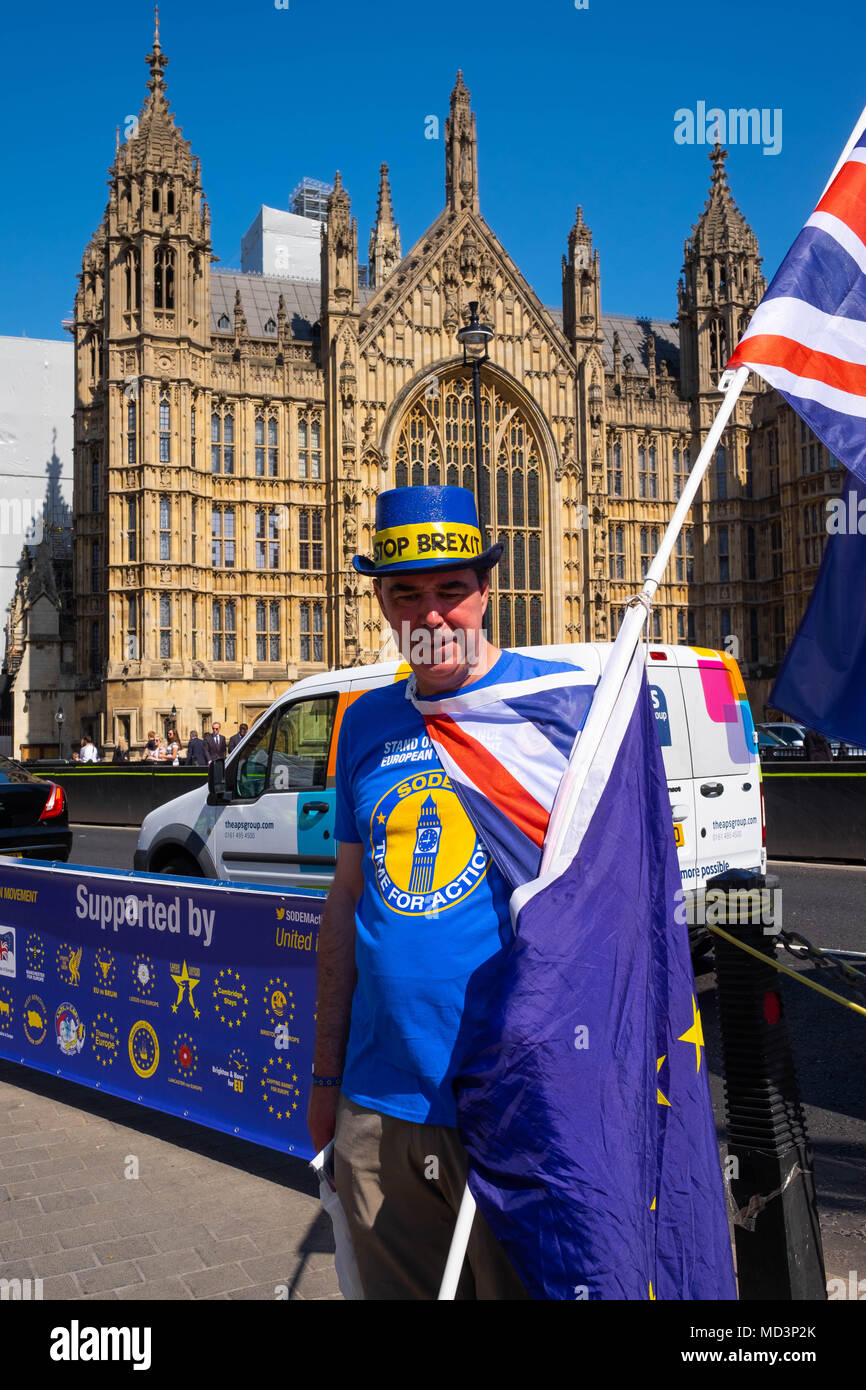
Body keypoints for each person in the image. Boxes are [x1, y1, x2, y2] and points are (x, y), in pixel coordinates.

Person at [308, 485, 580, 1301]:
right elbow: (346, 903)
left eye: (450, 590)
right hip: (377, 1101)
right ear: (383, 603)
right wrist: (325, 1080)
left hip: (511, 1104)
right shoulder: (364, 723)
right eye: (407, 593)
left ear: (486, 590)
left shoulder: (558, 715)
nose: (431, 615)